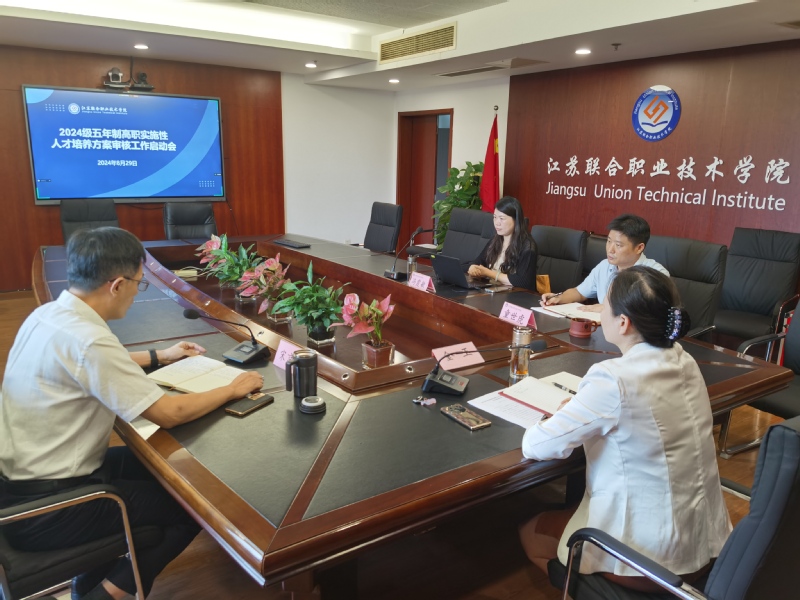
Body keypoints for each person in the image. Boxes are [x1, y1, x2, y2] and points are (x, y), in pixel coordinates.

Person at [0, 227, 263, 600]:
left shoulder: (49, 315)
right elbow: (169, 413)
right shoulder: (89, 340)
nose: (137, 292)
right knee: (194, 506)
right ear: (117, 285)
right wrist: (233, 389)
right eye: (140, 284)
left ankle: (89, 583)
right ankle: (105, 595)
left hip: (21, 488)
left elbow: (89, 362)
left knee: (170, 473)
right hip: (52, 509)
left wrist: (161, 356)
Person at [519, 266, 731, 592]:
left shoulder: (613, 379)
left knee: (530, 533)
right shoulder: (685, 361)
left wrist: (556, 417)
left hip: (649, 562)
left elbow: (538, 445)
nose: (598, 311)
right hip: (708, 545)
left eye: (604, 305)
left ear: (623, 323)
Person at [540, 213, 668, 312]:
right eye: (609, 241)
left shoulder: (656, 274)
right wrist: (559, 298)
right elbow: (579, 293)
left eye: (618, 245)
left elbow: (650, 313)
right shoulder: (605, 266)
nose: (610, 249)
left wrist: (609, 309)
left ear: (639, 248)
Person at [467, 196, 538, 290]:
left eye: (502, 218)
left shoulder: (528, 246)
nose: (497, 223)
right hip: (492, 289)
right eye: (495, 217)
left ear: (516, 220)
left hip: (514, 294)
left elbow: (523, 282)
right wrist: (473, 268)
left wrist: (488, 273)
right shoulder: (496, 239)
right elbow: (478, 261)